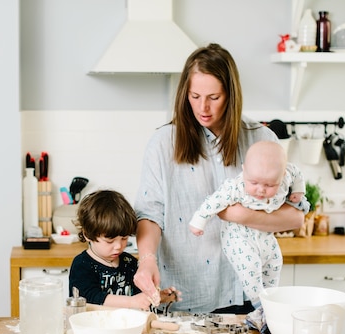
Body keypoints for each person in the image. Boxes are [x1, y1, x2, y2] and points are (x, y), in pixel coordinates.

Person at [133, 43, 305, 315]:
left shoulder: (261, 140)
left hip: (245, 291)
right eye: (195, 95)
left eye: (214, 97)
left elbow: (295, 217)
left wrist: (235, 214)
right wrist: (146, 259)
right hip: (184, 293)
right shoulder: (162, 143)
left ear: (231, 95)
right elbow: (149, 213)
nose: (203, 107)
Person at [189, 140, 309, 310]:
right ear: (244, 170)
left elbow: (296, 172)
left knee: (275, 261)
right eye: (254, 183)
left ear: (282, 176)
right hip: (238, 236)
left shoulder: (285, 178)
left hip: (264, 234)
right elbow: (214, 201)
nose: (261, 190)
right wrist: (199, 221)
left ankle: (270, 297)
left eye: (269, 185)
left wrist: (298, 190)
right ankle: (258, 302)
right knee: (250, 266)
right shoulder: (236, 187)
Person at [68, 190, 179, 311]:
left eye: (124, 238)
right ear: (87, 234)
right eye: (110, 241)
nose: (118, 246)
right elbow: (88, 298)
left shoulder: (129, 262)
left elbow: (139, 297)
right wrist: (131, 302)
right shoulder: (82, 264)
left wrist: (154, 297)